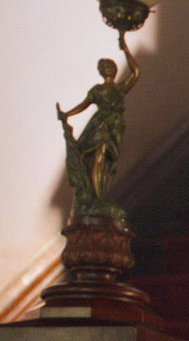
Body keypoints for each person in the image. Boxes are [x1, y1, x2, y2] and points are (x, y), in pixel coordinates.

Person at [57, 32, 139, 211]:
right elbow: (84, 105)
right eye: (104, 66)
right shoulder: (98, 90)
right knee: (98, 156)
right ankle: (97, 199)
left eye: (110, 65)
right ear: (101, 72)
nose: (108, 68)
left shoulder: (120, 89)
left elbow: (136, 72)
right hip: (100, 124)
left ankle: (99, 195)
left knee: (108, 162)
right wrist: (66, 114)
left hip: (115, 126)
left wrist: (125, 49)